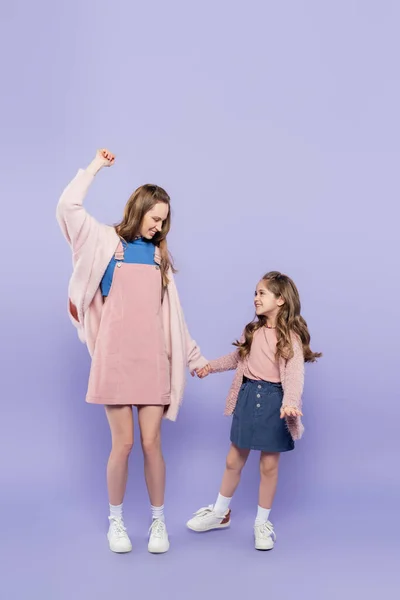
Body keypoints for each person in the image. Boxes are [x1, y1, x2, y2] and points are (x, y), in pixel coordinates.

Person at [56, 149, 207, 555]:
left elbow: (173, 319)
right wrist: (94, 167)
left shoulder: (160, 257)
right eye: (155, 218)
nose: (159, 228)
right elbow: (67, 206)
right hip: (115, 361)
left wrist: (195, 360)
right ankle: (116, 523)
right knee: (121, 445)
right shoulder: (104, 241)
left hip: (153, 362)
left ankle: (159, 523)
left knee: (152, 444)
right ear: (138, 209)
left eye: (164, 222)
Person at [187, 271, 321, 550]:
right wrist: (210, 366)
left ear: (281, 300)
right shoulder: (253, 331)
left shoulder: (290, 338)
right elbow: (238, 357)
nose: (255, 298)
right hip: (247, 397)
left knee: (269, 466)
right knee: (233, 459)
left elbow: (295, 374)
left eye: (262, 293)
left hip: (276, 403)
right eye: (255, 293)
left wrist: (291, 402)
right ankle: (220, 513)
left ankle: (261, 522)